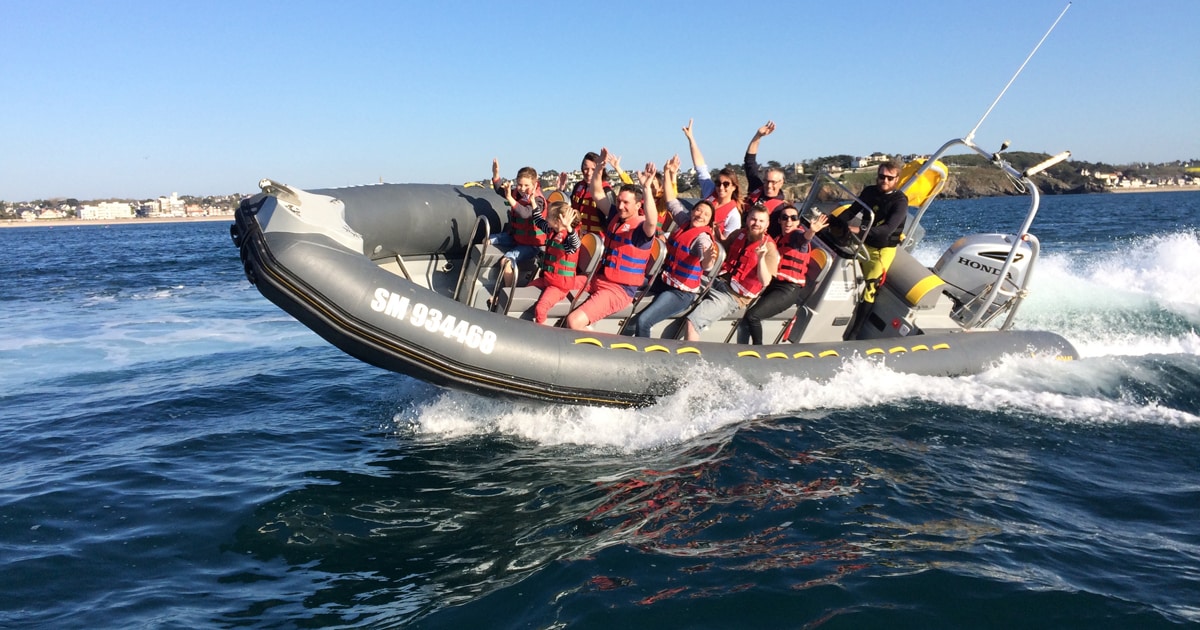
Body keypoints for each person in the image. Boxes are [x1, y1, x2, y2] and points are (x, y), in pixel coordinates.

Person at [624, 154, 717, 337]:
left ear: (709, 221)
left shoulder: (703, 238)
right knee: (629, 278)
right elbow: (670, 200)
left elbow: (706, 263)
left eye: (705, 214)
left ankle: (644, 357)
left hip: (680, 293)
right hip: (664, 280)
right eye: (698, 210)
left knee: (644, 321)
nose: (699, 214)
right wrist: (667, 172)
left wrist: (707, 258)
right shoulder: (684, 221)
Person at [565, 150, 659, 330]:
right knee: (561, 282)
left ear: (638, 205)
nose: (621, 206)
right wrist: (599, 168)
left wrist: (646, 188)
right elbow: (597, 192)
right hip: (598, 278)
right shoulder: (615, 216)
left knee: (574, 321)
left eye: (626, 203)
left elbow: (652, 221)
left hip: (619, 290)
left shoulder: (641, 230)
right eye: (619, 201)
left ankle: (597, 351)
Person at [684, 204, 778, 341]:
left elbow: (765, 281)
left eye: (761, 221)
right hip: (716, 281)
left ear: (767, 224)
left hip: (732, 296)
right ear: (747, 220)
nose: (756, 223)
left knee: (693, 321)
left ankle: (689, 359)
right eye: (753, 219)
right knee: (682, 285)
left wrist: (761, 258)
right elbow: (724, 246)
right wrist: (716, 231)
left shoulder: (769, 248)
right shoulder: (739, 234)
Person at [737, 204, 829, 344]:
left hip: (787, 290)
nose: (789, 221)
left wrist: (812, 231)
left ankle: (758, 350)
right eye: (784, 218)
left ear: (798, 222)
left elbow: (804, 239)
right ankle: (741, 347)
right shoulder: (779, 239)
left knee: (752, 316)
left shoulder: (796, 237)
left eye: (793, 218)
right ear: (779, 221)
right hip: (773, 284)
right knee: (744, 316)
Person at [832, 160, 908, 304]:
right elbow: (851, 212)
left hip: (881, 251)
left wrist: (858, 230)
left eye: (890, 178)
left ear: (896, 179)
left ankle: (857, 325)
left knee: (869, 292)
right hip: (863, 244)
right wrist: (831, 222)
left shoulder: (900, 201)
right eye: (882, 176)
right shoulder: (869, 192)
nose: (885, 180)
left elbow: (887, 230)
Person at [682, 119, 742, 241]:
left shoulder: (733, 215)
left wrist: (716, 233)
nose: (721, 187)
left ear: (734, 187)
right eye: (718, 183)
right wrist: (691, 139)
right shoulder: (710, 191)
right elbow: (700, 167)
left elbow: (728, 244)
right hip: (689, 237)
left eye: (726, 184)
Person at [526, 200, 583, 325]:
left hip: (559, 286)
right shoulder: (553, 231)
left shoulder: (568, 239)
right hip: (548, 279)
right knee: (528, 287)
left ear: (557, 220)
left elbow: (575, 244)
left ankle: (542, 333)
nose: (546, 218)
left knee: (541, 308)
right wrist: (534, 203)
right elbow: (539, 221)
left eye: (549, 217)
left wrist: (568, 228)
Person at [489, 159, 547, 267]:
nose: (522, 189)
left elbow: (525, 213)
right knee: (487, 240)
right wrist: (496, 174)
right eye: (520, 185)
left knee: (506, 262)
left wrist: (509, 198)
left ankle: (509, 284)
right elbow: (500, 189)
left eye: (527, 186)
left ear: (535, 185)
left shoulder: (538, 200)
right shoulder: (518, 193)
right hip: (516, 238)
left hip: (532, 245)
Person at [556, 152, 613, 238]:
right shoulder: (579, 186)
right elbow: (568, 208)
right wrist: (561, 191)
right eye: (586, 168)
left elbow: (614, 218)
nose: (589, 173)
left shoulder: (606, 191)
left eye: (593, 169)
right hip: (577, 236)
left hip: (598, 240)